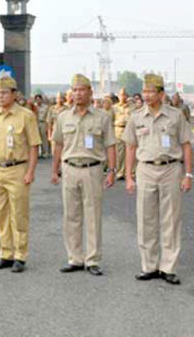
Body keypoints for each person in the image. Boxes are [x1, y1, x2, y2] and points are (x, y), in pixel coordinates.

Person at [123, 73, 193, 285]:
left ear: (161, 94)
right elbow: (130, 147)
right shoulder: (136, 116)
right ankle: (149, 266)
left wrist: (188, 174)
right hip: (145, 170)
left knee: (170, 219)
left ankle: (168, 267)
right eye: (144, 91)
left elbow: (186, 145)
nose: (146, 95)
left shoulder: (175, 115)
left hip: (170, 169)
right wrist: (128, 175)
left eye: (151, 91)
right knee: (146, 219)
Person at [51, 74, 117, 276]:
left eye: (82, 89)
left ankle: (93, 259)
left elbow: (110, 145)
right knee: (71, 215)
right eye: (75, 90)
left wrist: (112, 171)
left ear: (90, 92)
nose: (77, 94)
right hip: (70, 168)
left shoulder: (102, 117)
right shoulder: (63, 117)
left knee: (93, 215)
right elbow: (58, 144)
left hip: (92, 168)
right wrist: (54, 169)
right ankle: (75, 258)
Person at [0, 75, 41, 273]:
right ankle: (5, 253)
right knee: (1, 214)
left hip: (18, 169)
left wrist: (30, 172)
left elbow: (34, 146)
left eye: (5, 92)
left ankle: (20, 255)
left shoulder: (26, 116)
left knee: (19, 214)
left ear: (14, 94)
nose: (0, 96)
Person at [113, 88, 132, 182]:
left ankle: (130, 172)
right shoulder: (115, 107)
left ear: (127, 96)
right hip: (118, 130)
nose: (123, 97)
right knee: (120, 153)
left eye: (124, 95)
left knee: (130, 152)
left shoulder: (131, 107)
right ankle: (120, 172)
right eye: (121, 95)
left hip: (129, 129)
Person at [34, 94, 51, 158]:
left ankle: (45, 153)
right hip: (35, 123)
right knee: (36, 139)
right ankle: (37, 153)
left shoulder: (45, 107)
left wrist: (47, 125)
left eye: (39, 99)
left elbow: (48, 116)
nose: (38, 100)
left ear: (41, 99)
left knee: (44, 138)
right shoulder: (34, 106)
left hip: (43, 122)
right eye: (37, 99)